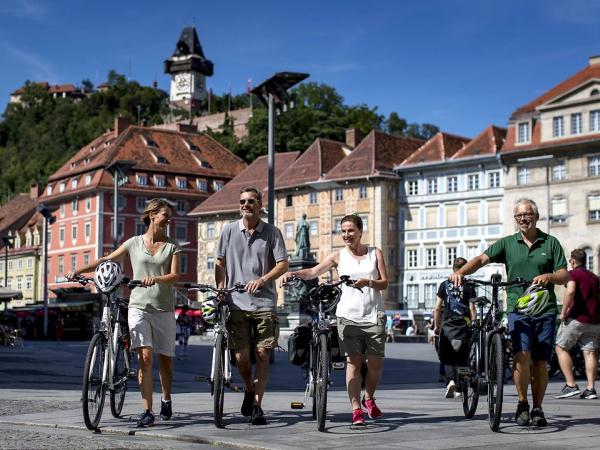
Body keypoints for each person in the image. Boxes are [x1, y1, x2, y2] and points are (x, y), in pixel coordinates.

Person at [449, 198, 568, 427]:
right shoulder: (508, 243)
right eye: (519, 216)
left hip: (545, 309)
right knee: (522, 357)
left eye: (527, 214)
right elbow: (482, 259)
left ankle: (537, 408)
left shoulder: (550, 242)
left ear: (536, 216)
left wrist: (550, 276)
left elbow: (564, 274)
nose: (523, 218)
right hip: (517, 308)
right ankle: (522, 403)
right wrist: (461, 273)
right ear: (515, 219)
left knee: (541, 362)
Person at [66, 198, 181, 427]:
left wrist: (156, 279)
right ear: (151, 215)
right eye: (165, 215)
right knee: (145, 358)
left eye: (169, 216)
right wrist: (77, 270)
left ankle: (166, 399)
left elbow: (175, 276)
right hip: (138, 307)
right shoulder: (133, 243)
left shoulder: (172, 246)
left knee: (165, 362)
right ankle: (147, 411)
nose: (168, 219)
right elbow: (106, 259)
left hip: (163, 309)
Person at [281, 214, 388, 426]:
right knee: (353, 362)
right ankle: (356, 408)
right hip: (347, 316)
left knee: (374, 364)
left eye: (351, 230)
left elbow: (384, 283)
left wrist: (368, 282)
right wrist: (293, 274)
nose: (347, 235)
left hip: (374, 314)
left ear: (360, 231)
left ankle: (369, 398)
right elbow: (314, 271)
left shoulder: (375, 253)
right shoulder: (338, 256)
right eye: (344, 231)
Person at [215, 187, 288, 425]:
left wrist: (263, 280)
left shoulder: (272, 232)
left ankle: (257, 406)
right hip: (236, 302)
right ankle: (248, 387)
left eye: (250, 201)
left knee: (263, 354)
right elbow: (220, 262)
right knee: (241, 357)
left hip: (265, 301)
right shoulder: (228, 230)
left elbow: (283, 264)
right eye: (242, 201)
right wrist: (220, 289)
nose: (246, 205)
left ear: (259, 204)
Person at [555, 248, 600, 400]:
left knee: (561, 347)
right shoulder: (594, 277)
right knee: (590, 352)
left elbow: (570, 291)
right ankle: (590, 388)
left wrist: (564, 311)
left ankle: (571, 385)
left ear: (573, 261)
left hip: (577, 318)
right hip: (595, 320)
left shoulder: (573, 273)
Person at [434, 257, 476, 399]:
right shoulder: (469, 286)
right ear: (466, 269)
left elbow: (437, 308)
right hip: (464, 324)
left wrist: (436, 326)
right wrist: (474, 324)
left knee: (447, 357)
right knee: (463, 356)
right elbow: (472, 309)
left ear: (453, 269)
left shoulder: (444, 284)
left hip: (447, 323)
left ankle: (450, 381)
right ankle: (462, 385)